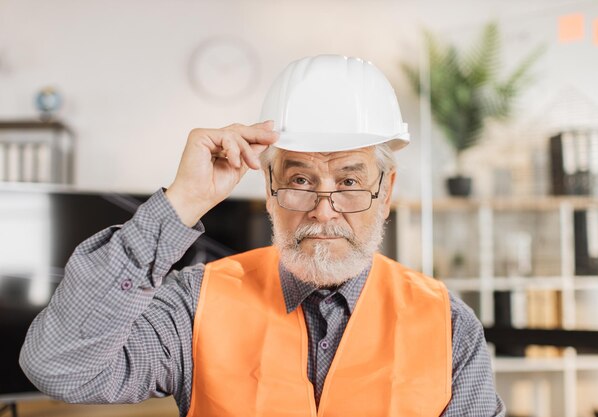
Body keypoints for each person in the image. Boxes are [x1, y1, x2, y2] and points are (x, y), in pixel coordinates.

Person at [20, 55, 505, 416]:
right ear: (270, 191)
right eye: (299, 181)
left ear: (387, 191)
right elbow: (61, 366)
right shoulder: (195, 304)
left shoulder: (447, 324)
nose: (323, 210)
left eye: (351, 182)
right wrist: (181, 202)